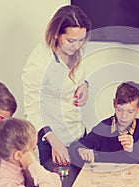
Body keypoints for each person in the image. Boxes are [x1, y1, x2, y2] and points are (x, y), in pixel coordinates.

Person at [22, 5, 92, 166]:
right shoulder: (39, 63)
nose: (77, 46)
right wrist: (53, 140)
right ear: (55, 34)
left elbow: (77, 78)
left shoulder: (76, 50)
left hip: (78, 132)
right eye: (71, 41)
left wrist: (85, 86)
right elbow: (32, 109)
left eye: (82, 40)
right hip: (53, 140)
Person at [69, 81, 139, 167]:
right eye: (119, 110)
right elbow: (74, 146)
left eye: (130, 111)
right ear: (114, 103)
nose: (124, 116)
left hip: (134, 177)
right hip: (106, 176)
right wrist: (81, 149)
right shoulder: (103, 127)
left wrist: (133, 149)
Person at [0, 118, 61, 187]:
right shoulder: (4, 186)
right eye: (33, 148)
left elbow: (55, 181)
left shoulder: (11, 167)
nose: (34, 151)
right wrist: (33, 164)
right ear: (18, 155)